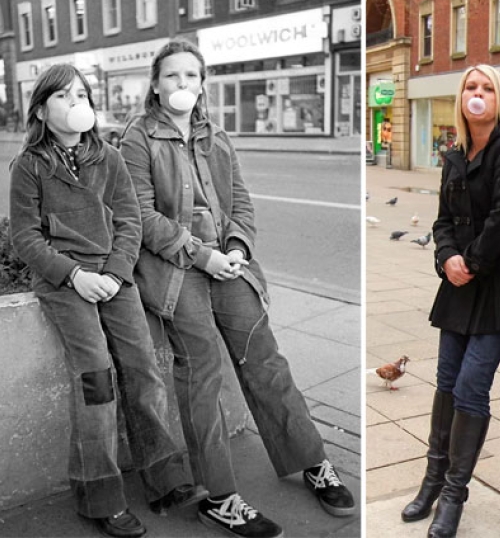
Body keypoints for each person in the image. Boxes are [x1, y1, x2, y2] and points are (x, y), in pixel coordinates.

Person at [120, 39, 355, 538]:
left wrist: (237, 250)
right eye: (172, 76)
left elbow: (242, 204)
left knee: (266, 359)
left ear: (201, 83)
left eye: (191, 76)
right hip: (177, 270)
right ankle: (220, 497)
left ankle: (312, 461)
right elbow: (140, 216)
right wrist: (200, 253)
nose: (183, 85)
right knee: (200, 368)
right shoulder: (137, 139)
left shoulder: (216, 136)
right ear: (156, 84)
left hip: (227, 265)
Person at [9, 63, 208, 538]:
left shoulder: (109, 157)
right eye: (63, 96)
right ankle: (98, 494)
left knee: (143, 369)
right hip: (65, 285)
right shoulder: (29, 166)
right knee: (96, 378)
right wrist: (73, 275)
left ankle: (166, 477)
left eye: (81, 94)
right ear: (41, 109)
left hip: (115, 281)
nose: (76, 103)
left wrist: (116, 274)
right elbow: (25, 236)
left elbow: (129, 222)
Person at [400, 64, 500, 538]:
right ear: (461, 99)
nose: (477, 95)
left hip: (496, 287)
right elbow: (440, 221)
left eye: (485, 89)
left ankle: (455, 493)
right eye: (470, 88)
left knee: (471, 386)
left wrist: (470, 262)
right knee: (445, 381)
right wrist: (446, 257)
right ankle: (433, 478)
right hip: (457, 286)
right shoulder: (454, 154)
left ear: (499, 98)